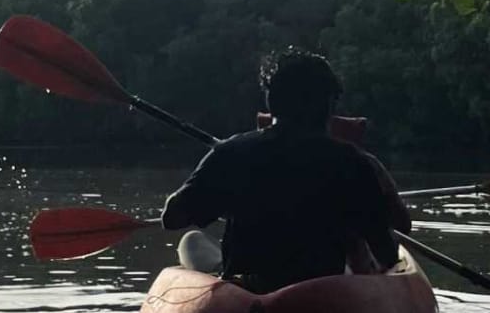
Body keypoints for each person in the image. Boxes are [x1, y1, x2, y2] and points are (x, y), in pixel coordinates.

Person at [161, 50, 410, 292]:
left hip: (246, 294)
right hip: (325, 296)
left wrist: (226, 201)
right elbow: (387, 253)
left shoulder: (231, 153)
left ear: (272, 102)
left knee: (191, 240)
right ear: (327, 104)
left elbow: (171, 219)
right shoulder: (353, 162)